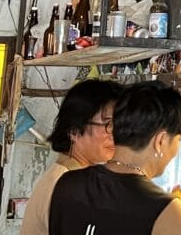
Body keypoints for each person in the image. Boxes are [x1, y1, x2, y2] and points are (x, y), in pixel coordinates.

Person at [48, 82, 181, 235]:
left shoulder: (67, 183)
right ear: (160, 141)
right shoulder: (166, 210)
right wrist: (179, 221)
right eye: (177, 140)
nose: (176, 149)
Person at [21, 78, 124, 235]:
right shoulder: (67, 187)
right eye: (109, 125)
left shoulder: (72, 179)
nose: (116, 135)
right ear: (74, 130)